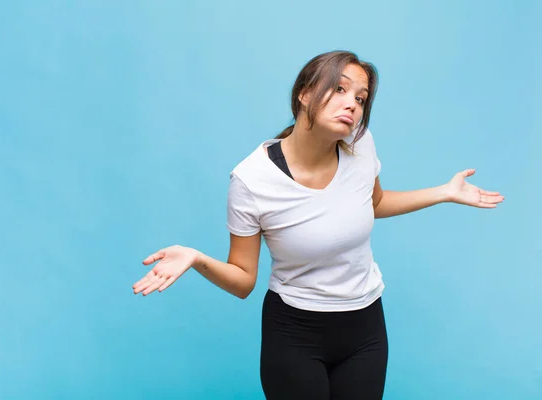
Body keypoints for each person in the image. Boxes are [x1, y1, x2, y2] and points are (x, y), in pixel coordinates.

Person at [132, 50, 504, 399]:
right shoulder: (251, 181)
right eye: (340, 89)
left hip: (366, 327)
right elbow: (244, 280)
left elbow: (372, 203)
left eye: (360, 99)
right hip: (295, 334)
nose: (352, 105)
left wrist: (444, 192)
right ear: (304, 95)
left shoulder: (360, 144)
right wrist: (197, 258)